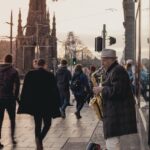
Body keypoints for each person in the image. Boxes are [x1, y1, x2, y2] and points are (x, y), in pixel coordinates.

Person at [93, 49, 137, 150]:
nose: (102, 63)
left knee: (112, 144)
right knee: (111, 144)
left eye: (104, 60)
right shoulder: (114, 70)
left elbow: (117, 91)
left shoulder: (117, 70)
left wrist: (101, 89)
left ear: (111, 60)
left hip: (116, 115)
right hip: (115, 114)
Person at [18, 59, 61, 150]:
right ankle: (40, 139)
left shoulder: (30, 74)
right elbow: (55, 91)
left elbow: (25, 90)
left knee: (37, 124)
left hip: (35, 104)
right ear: (45, 65)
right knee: (47, 124)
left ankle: (38, 143)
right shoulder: (50, 75)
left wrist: (23, 102)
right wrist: (58, 103)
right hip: (47, 104)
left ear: (37, 64)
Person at [0, 54, 20, 148]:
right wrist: (16, 98)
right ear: (12, 60)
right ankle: (12, 138)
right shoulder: (14, 71)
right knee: (12, 119)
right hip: (9, 98)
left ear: (4, 60)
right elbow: (17, 87)